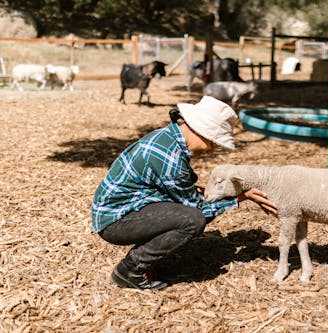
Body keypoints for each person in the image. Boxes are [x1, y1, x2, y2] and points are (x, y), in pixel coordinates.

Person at [91, 96, 277, 290]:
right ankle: (130, 270)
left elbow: (183, 190)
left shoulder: (168, 137)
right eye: (212, 143)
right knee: (192, 221)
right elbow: (198, 210)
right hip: (114, 220)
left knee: (188, 212)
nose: (211, 150)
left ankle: (145, 263)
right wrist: (239, 197)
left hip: (119, 209)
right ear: (200, 131)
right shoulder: (170, 158)